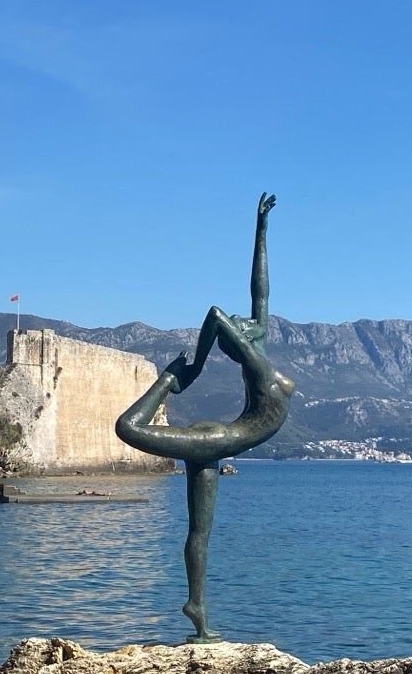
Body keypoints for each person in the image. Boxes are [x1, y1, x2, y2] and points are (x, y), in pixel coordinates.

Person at [115, 192, 294, 642]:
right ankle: (164, 382)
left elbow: (261, 291)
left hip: (215, 444)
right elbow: (217, 314)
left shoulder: (260, 353)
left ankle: (197, 605)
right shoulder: (257, 364)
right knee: (128, 428)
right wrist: (186, 371)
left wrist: (261, 231)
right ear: (239, 342)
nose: (243, 317)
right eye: (241, 324)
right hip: (215, 441)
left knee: (200, 533)